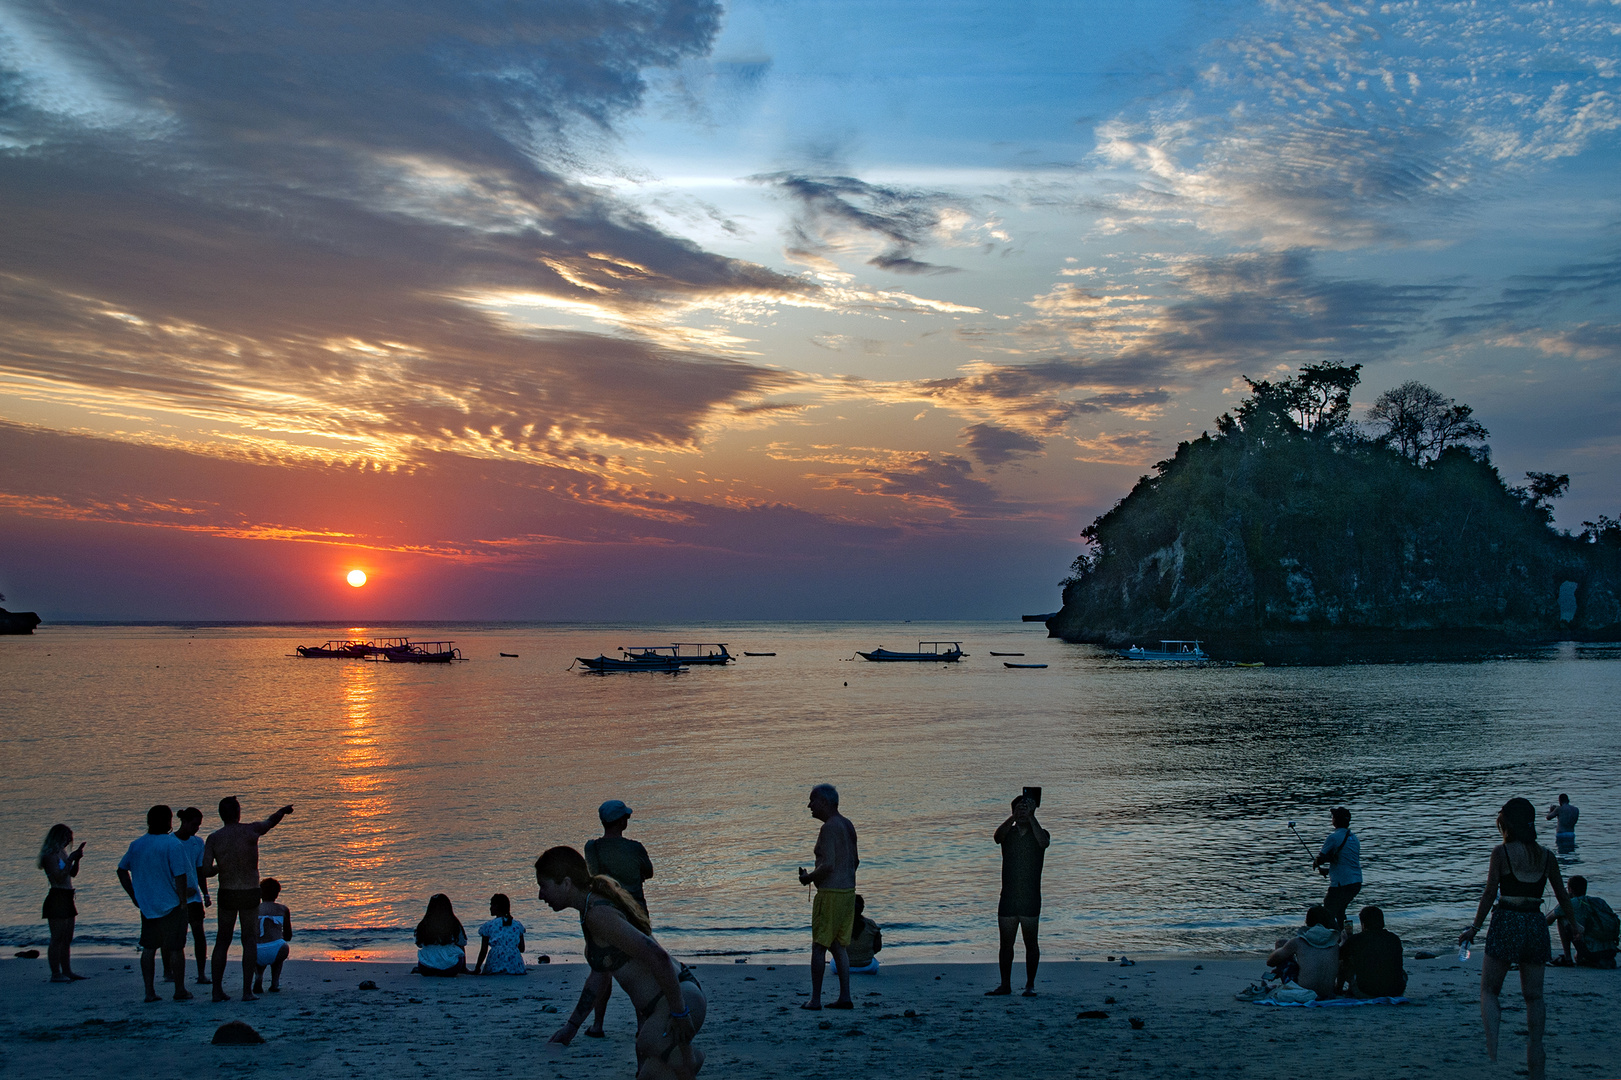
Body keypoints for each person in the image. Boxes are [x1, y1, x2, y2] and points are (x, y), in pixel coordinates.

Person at [536, 846, 706, 1079]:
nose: (540, 895)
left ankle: (690, 1059)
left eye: (543, 886)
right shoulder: (588, 910)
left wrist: (679, 1012)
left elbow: (657, 956)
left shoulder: (598, 914)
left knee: (649, 1045)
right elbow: (599, 975)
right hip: (662, 1006)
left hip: (677, 999)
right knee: (646, 1069)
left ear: (565, 883)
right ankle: (687, 1060)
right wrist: (571, 1027)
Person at [1457, 797, 1581, 1080]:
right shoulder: (1546, 855)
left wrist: (1474, 928)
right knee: (1534, 996)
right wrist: (1575, 924)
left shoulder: (1501, 852)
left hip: (1507, 919)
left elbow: (1490, 893)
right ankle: (1535, 1050)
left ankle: (1492, 1051)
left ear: (1508, 823)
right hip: (1535, 923)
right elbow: (1562, 894)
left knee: (1489, 990)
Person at [199, 796, 294, 1001]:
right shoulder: (251, 830)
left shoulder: (214, 838)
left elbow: (205, 870)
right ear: (238, 812)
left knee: (222, 941)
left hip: (228, 891)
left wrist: (221, 867)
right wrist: (283, 811)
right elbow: (271, 821)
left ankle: (217, 991)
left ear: (221, 814)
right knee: (249, 940)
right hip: (249, 890)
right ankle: (246, 991)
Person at [581, 800, 655, 1034]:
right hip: (636, 914)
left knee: (603, 968)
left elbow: (592, 876)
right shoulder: (636, 848)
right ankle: (642, 1024)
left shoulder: (592, 848)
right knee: (642, 970)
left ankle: (598, 1024)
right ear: (622, 822)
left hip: (605, 914)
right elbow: (649, 872)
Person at [116, 805, 194, 1003]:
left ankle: (149, 992)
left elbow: (122, 870)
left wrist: (134, 896)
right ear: (168, 821)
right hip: (171, 904)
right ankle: (179, 989)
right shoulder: (172, 844)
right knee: (176, 948)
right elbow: (180, 875)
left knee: (149, 947)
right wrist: (184, 900)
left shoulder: (137, 845)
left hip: (148, 905)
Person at [797, 782, 858, 1011]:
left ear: (825, 802)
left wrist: (808, 878)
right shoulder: (847, 825)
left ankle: (815, 1000)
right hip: (847, 893)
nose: (809, 805)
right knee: (838, 946)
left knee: (819, 946)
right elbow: (855, 861)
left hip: (831, 894)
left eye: (812, 800)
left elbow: (829, 864)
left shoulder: (829, 828)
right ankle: (845, 996)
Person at [987, 792, 1050, 997]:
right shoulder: (1009, 834)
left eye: (1026, 809)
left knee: (1031, 943)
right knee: (1006, 944)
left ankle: (1030, 984)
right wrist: (1014, 817)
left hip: (1030, 897)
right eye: (1019, 809)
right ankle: (1005, 985)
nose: (1022, 813)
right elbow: (997, 837)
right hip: (1009, 897)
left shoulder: (1039, 833)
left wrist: (1031, 817)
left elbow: (1044, 843)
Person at [1265, 905, 1345, 1001]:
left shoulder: (1298, 942)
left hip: (1303, 992)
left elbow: (1270, 962)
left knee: (1281, 943)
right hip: (1327, 993)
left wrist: (1286, 951)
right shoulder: (1335, 945)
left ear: (1307, 921)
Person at [38, 823, 86, 982]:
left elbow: (72, 874)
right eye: (66, 837)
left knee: (67, 938)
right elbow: (58, 877)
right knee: (57, 937)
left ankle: (67, 970)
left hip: (67, 895)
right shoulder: (50, 855)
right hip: (57, 896)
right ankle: (55, 973)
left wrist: (76, 859)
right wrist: (71, 859)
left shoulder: (62, 853)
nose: (68, 841)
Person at [174, 807, 211, 986]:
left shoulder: (198, 843)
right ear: (185, 822)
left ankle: (201, 973)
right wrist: (178, 890)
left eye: (199, 825)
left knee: (199, 934)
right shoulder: (170, 842)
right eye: (194, 824)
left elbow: (200, 870)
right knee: (175, 936)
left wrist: (205, 893)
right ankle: (169, 971)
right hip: (174, 897)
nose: (197, 828)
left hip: (194, 897)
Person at [1548, 875, 1618, 968]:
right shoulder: (1599, 901)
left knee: (1562, 919)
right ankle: (1590, 959)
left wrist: (1563, 901)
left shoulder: (1571, 903)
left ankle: (1567, 958)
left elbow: (1547, 920)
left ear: (1570, 889)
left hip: (1592, 952)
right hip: (1611, 951)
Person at [1339, 905, 1406, 998]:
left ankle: (1339, 989)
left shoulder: (1356, 939)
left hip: (1366, 991)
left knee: (1343, 963)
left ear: (1363, 923)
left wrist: (1344, 941)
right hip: (1396, 991)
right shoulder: (1394, 938)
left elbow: (1339, 956)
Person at [1313, 807, 1362, 928]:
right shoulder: (1354, 838)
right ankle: (1345, 935)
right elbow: (1347, 863)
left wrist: (1316, 863)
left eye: (1333, 817)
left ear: (1335, 820)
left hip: (1341, 884)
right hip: (1356, 882)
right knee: (1340, 911)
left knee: (1328, 909)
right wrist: (1329, 871)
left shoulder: (1333, 837)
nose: (1332, 819)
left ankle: (1331, 937)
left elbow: (1320, 858)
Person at [251, 878, 292, 993]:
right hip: (276, 948)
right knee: (280, 947)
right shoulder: (283, 909)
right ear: (277, 894)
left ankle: (258, 975)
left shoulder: (254, 909)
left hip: (256, 950)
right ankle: (275, 983)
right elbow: (288, 935)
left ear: (260, 893)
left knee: (255, 946)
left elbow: (249, 932)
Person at [413, 894, 468, 976]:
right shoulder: (454, 923)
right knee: (459, 947)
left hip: (426, 968)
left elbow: (419, 944)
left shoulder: (423, 924)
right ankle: (463, 968)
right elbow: (462, 942)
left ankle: (432, 966)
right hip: (451, 968)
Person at [473, 893, 526, 975]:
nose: (490, 908)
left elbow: (483, 950)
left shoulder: (488, 926)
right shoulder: (517, 925)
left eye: (491, 905)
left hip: (495, 963)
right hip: (516, 966)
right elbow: (522, 948)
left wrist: (477, 968)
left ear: (497, 906)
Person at [846, 895, 882, 974]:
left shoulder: (841, 925)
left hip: (843, 967)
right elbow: (878, 947)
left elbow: (832, 948)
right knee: (875, 963)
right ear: (862, 908)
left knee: (833, 962)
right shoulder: (871, 924)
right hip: (867, 966)